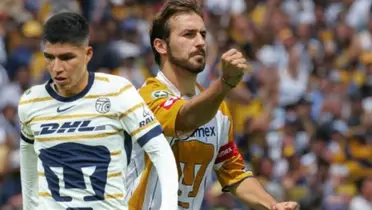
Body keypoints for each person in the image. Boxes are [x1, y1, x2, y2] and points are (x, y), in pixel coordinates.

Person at [126, 1, 299, 210]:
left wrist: (272, 205)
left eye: (203, 35)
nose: (200, 42)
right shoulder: (146, 97)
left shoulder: (218, 109)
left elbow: (232, 171)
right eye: (189, 35)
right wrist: (224, 84)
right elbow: (185, 120)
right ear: (161, 45)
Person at [18, 12, 178, 210]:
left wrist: (169, 206)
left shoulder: (118, 92)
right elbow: (28, 162)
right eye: (50, 57)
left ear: (88, 54)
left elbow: (161, 151)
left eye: (67, 57)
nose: (57, 67)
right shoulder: (31, 101)